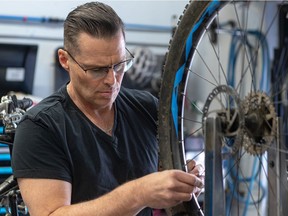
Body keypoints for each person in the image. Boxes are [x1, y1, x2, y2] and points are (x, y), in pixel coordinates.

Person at [11, 2, 204, 216]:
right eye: (97, 70)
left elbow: (161, 186)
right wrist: (138, 193)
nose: (112, 80)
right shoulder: (41, 127)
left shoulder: (148, 109)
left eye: (120, 65)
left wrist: (179, 182)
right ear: (65, 60)